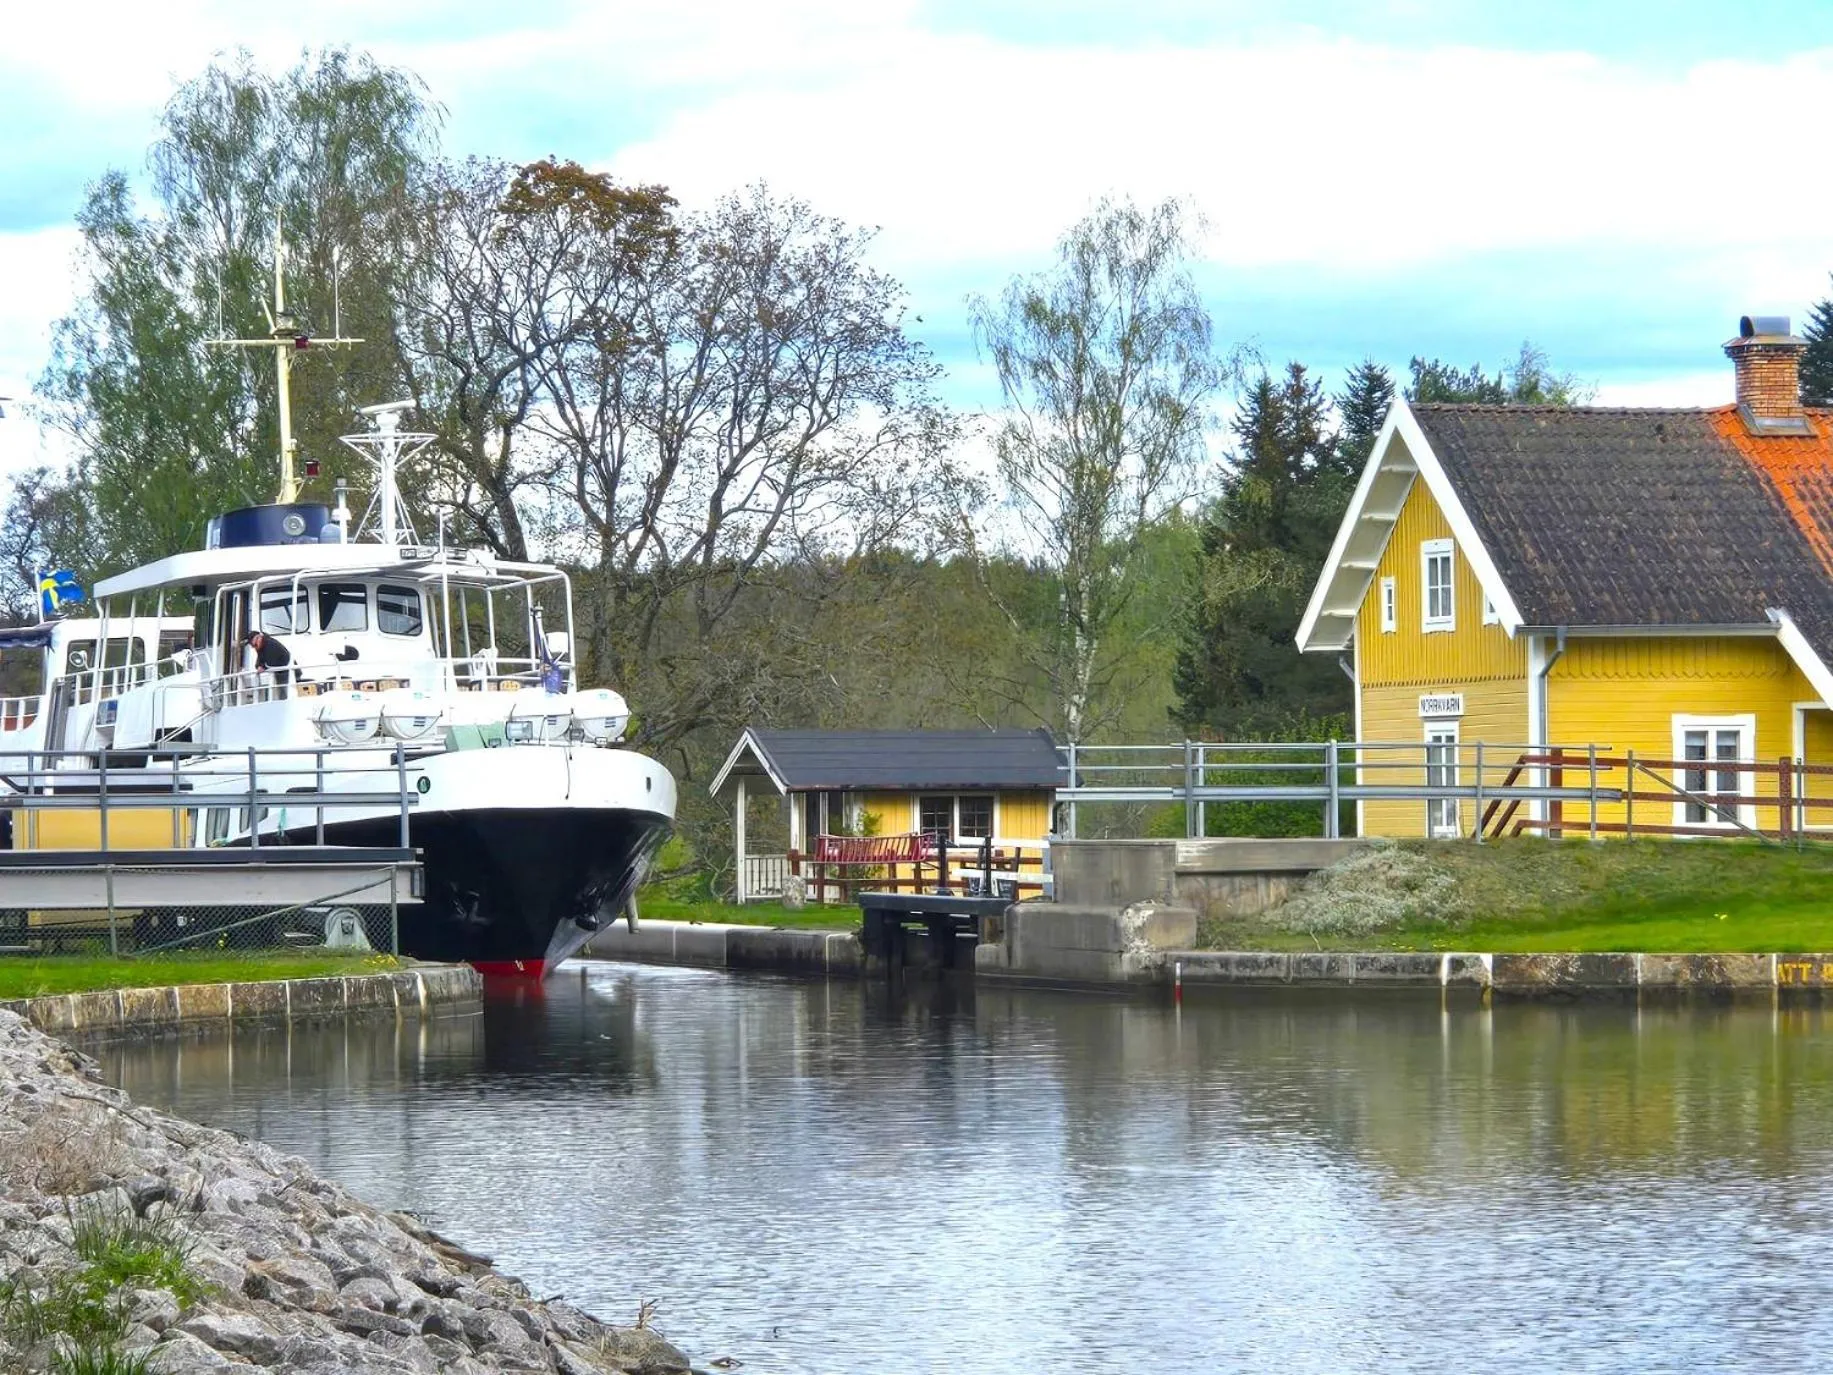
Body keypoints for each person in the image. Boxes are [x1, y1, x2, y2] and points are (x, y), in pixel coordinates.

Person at [244, 630, 293, 698]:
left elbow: (271, 662)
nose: (253, 647)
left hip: (287, 672)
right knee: (282, 692)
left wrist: (263, 667)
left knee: (285, 692)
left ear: (259, 638)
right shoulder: (263, 645)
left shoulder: (271, 644)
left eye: (254, 645)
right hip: (281, 672)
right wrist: (259, 666)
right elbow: (260, 659)